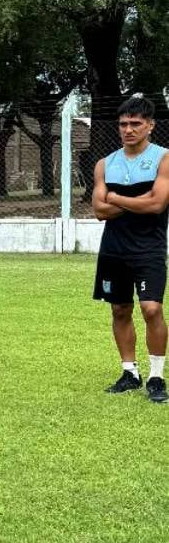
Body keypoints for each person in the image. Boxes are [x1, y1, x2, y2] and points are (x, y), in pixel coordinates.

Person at [91, 94, 169, 403]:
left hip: (148, 248)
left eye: (136, 123)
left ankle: (156, 376)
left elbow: (158, 203)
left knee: (152, 308)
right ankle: (129, 373)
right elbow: (99, 210)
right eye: (123, 124)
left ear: (150, 126)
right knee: (120, 309)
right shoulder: (105, 164)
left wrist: (117, 199)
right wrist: (137, 202)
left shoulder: (163, 159)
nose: (128, 129)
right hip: (113, 248)